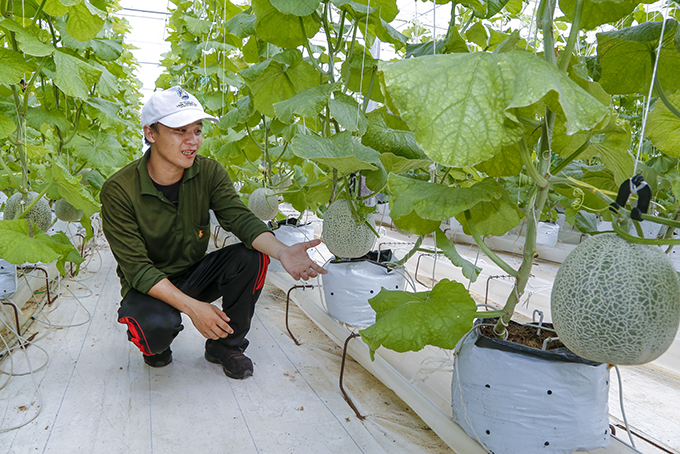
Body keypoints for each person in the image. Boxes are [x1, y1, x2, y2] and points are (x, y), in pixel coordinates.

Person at [100, 86, 326, 379]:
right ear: (150, 133)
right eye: (180, 130)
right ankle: (156, 342)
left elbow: (239, 218)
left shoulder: (208, 172)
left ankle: (225, 345)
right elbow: (138, 269)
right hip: (150, 285)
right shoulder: (119, 190)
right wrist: (195, 309)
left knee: (252, 257)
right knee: (154, 334)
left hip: (195, 272)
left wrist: (283, 252)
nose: (192, 141)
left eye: (197, 130)